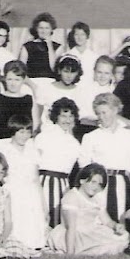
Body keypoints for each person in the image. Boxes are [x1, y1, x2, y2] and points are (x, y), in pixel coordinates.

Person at [78, 93, 130, 230]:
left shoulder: (129, 135)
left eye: (104, 112)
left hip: (121, 181)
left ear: (115, 110)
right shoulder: (91, 136)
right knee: (100, 218)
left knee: (120, 216)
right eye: (98, 113)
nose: (101, 117)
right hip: (100, 181)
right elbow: (84, 163)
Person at [47, 163, 129, 256]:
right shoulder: (72, 197)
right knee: (101, 245)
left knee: (123, 236)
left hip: (91, 231)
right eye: (93, 182)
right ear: (82, 180)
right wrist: (70, 253)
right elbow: (71, 227)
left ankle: (91, 250)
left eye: (100, 184)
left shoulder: (97, 198)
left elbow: (107, 221)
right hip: (75, 234)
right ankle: (79, 251)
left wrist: (115, 226)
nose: (96, 187)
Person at [0, 115, 47, 250]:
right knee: (15, 217)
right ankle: (13, 244)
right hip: (13, 190)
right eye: (21, 132)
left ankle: (32, 245)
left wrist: (43, 203)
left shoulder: (32, 150)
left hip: (30, 191)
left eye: (28, 132)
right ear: (13, 132)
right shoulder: (4, 150)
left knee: (32, 217)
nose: (25, 136)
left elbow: (35, 178)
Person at [35, 98, 82, 228]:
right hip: (44, 182)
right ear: (56, 116)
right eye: (63, 116)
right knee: (44, 218)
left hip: (64, 184)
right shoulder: (44, 136)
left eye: (71, 116)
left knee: (60, 220)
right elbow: (34, 163)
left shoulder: (74, 143)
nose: (67, 120)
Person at [0, 60, 36, 153]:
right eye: (10, 79)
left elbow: (34, 127)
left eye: (17, 80)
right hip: (1, 145)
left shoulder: (29, 99)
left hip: (23, 146)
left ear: (23, 80)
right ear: (5, 79)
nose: (13, 83)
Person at [35, 56, 88, 131]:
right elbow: (38, 115)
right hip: (48, 129)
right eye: (66, 71)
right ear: (59, 71)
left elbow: (80, 117)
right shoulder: (46, 88)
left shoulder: (80, 91)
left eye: (72, 72)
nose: (69, 76)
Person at [19, 12, 60, 83]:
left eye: (47, 28)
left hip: (51, 83)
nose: (44, 31)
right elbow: (21, 71)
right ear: (36, 29)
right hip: (31, 82)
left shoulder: (58, 47)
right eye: (41, 28)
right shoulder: (27, 46)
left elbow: (54, 69)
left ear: (51, 30)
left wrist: (49, 45)